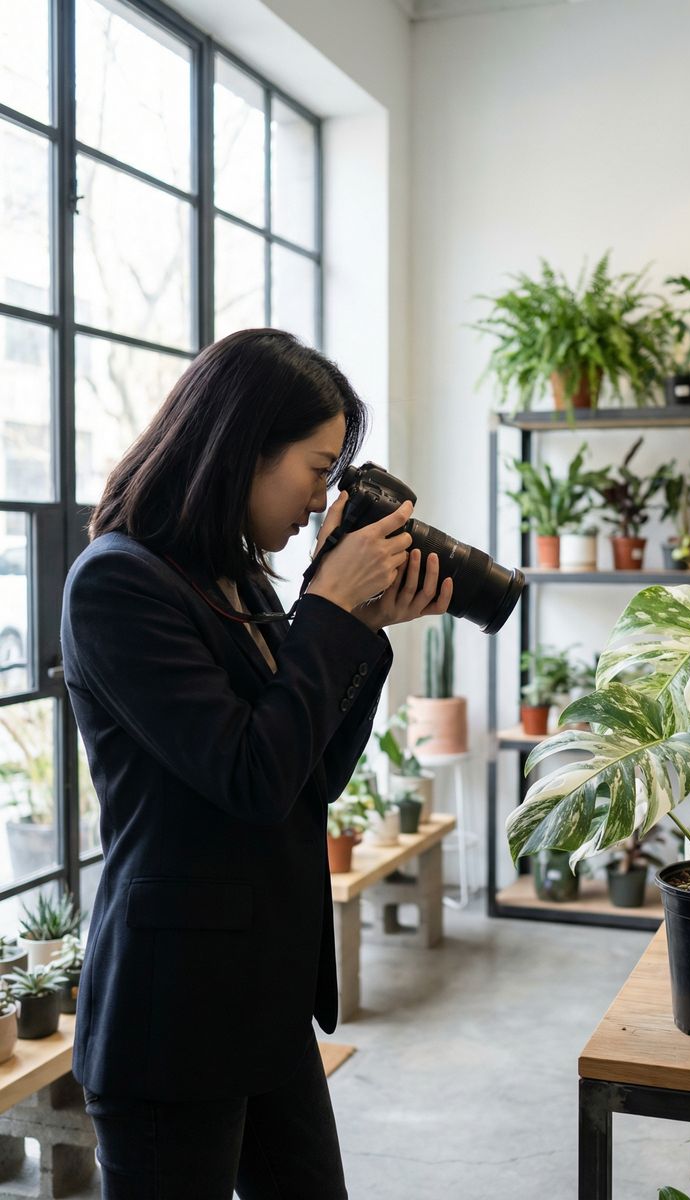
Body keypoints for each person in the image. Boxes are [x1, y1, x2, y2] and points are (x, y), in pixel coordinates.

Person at [60, 329, 451, 1199]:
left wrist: (362, 629)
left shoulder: (241, 583)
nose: (322, 502)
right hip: (171, 1021)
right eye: (317, 469)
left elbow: (305, 780)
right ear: (243, 447)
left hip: (265, 1005)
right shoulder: (116, 586)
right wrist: (329, 611)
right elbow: (250, 776)